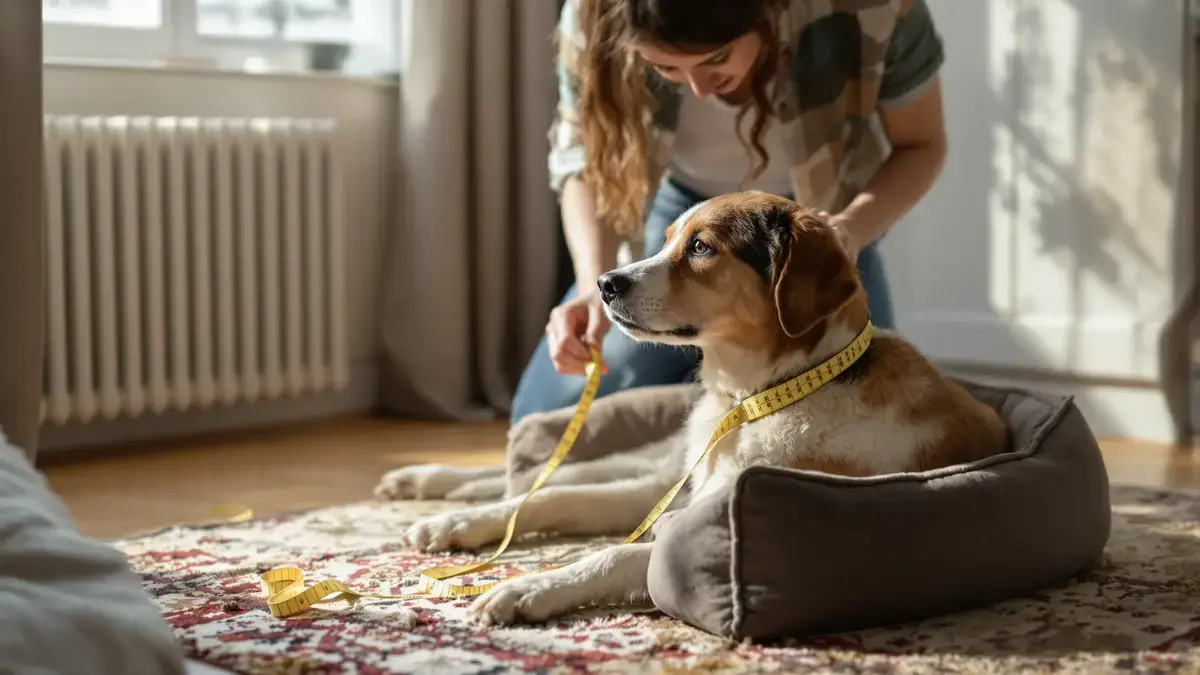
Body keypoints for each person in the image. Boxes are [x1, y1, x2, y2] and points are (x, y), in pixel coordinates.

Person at [511, 0, 948, 423]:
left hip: (817, 232)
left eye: (717, 58)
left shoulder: (876, 7)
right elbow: (585, 161)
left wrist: (847, 231)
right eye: (663, 67)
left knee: (852, 403)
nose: (698, 89)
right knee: (545, 419)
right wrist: (591, 281)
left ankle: (692, 375)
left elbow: (922, 144)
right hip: (681, 218)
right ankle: (694, 374)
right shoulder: (597, 11)